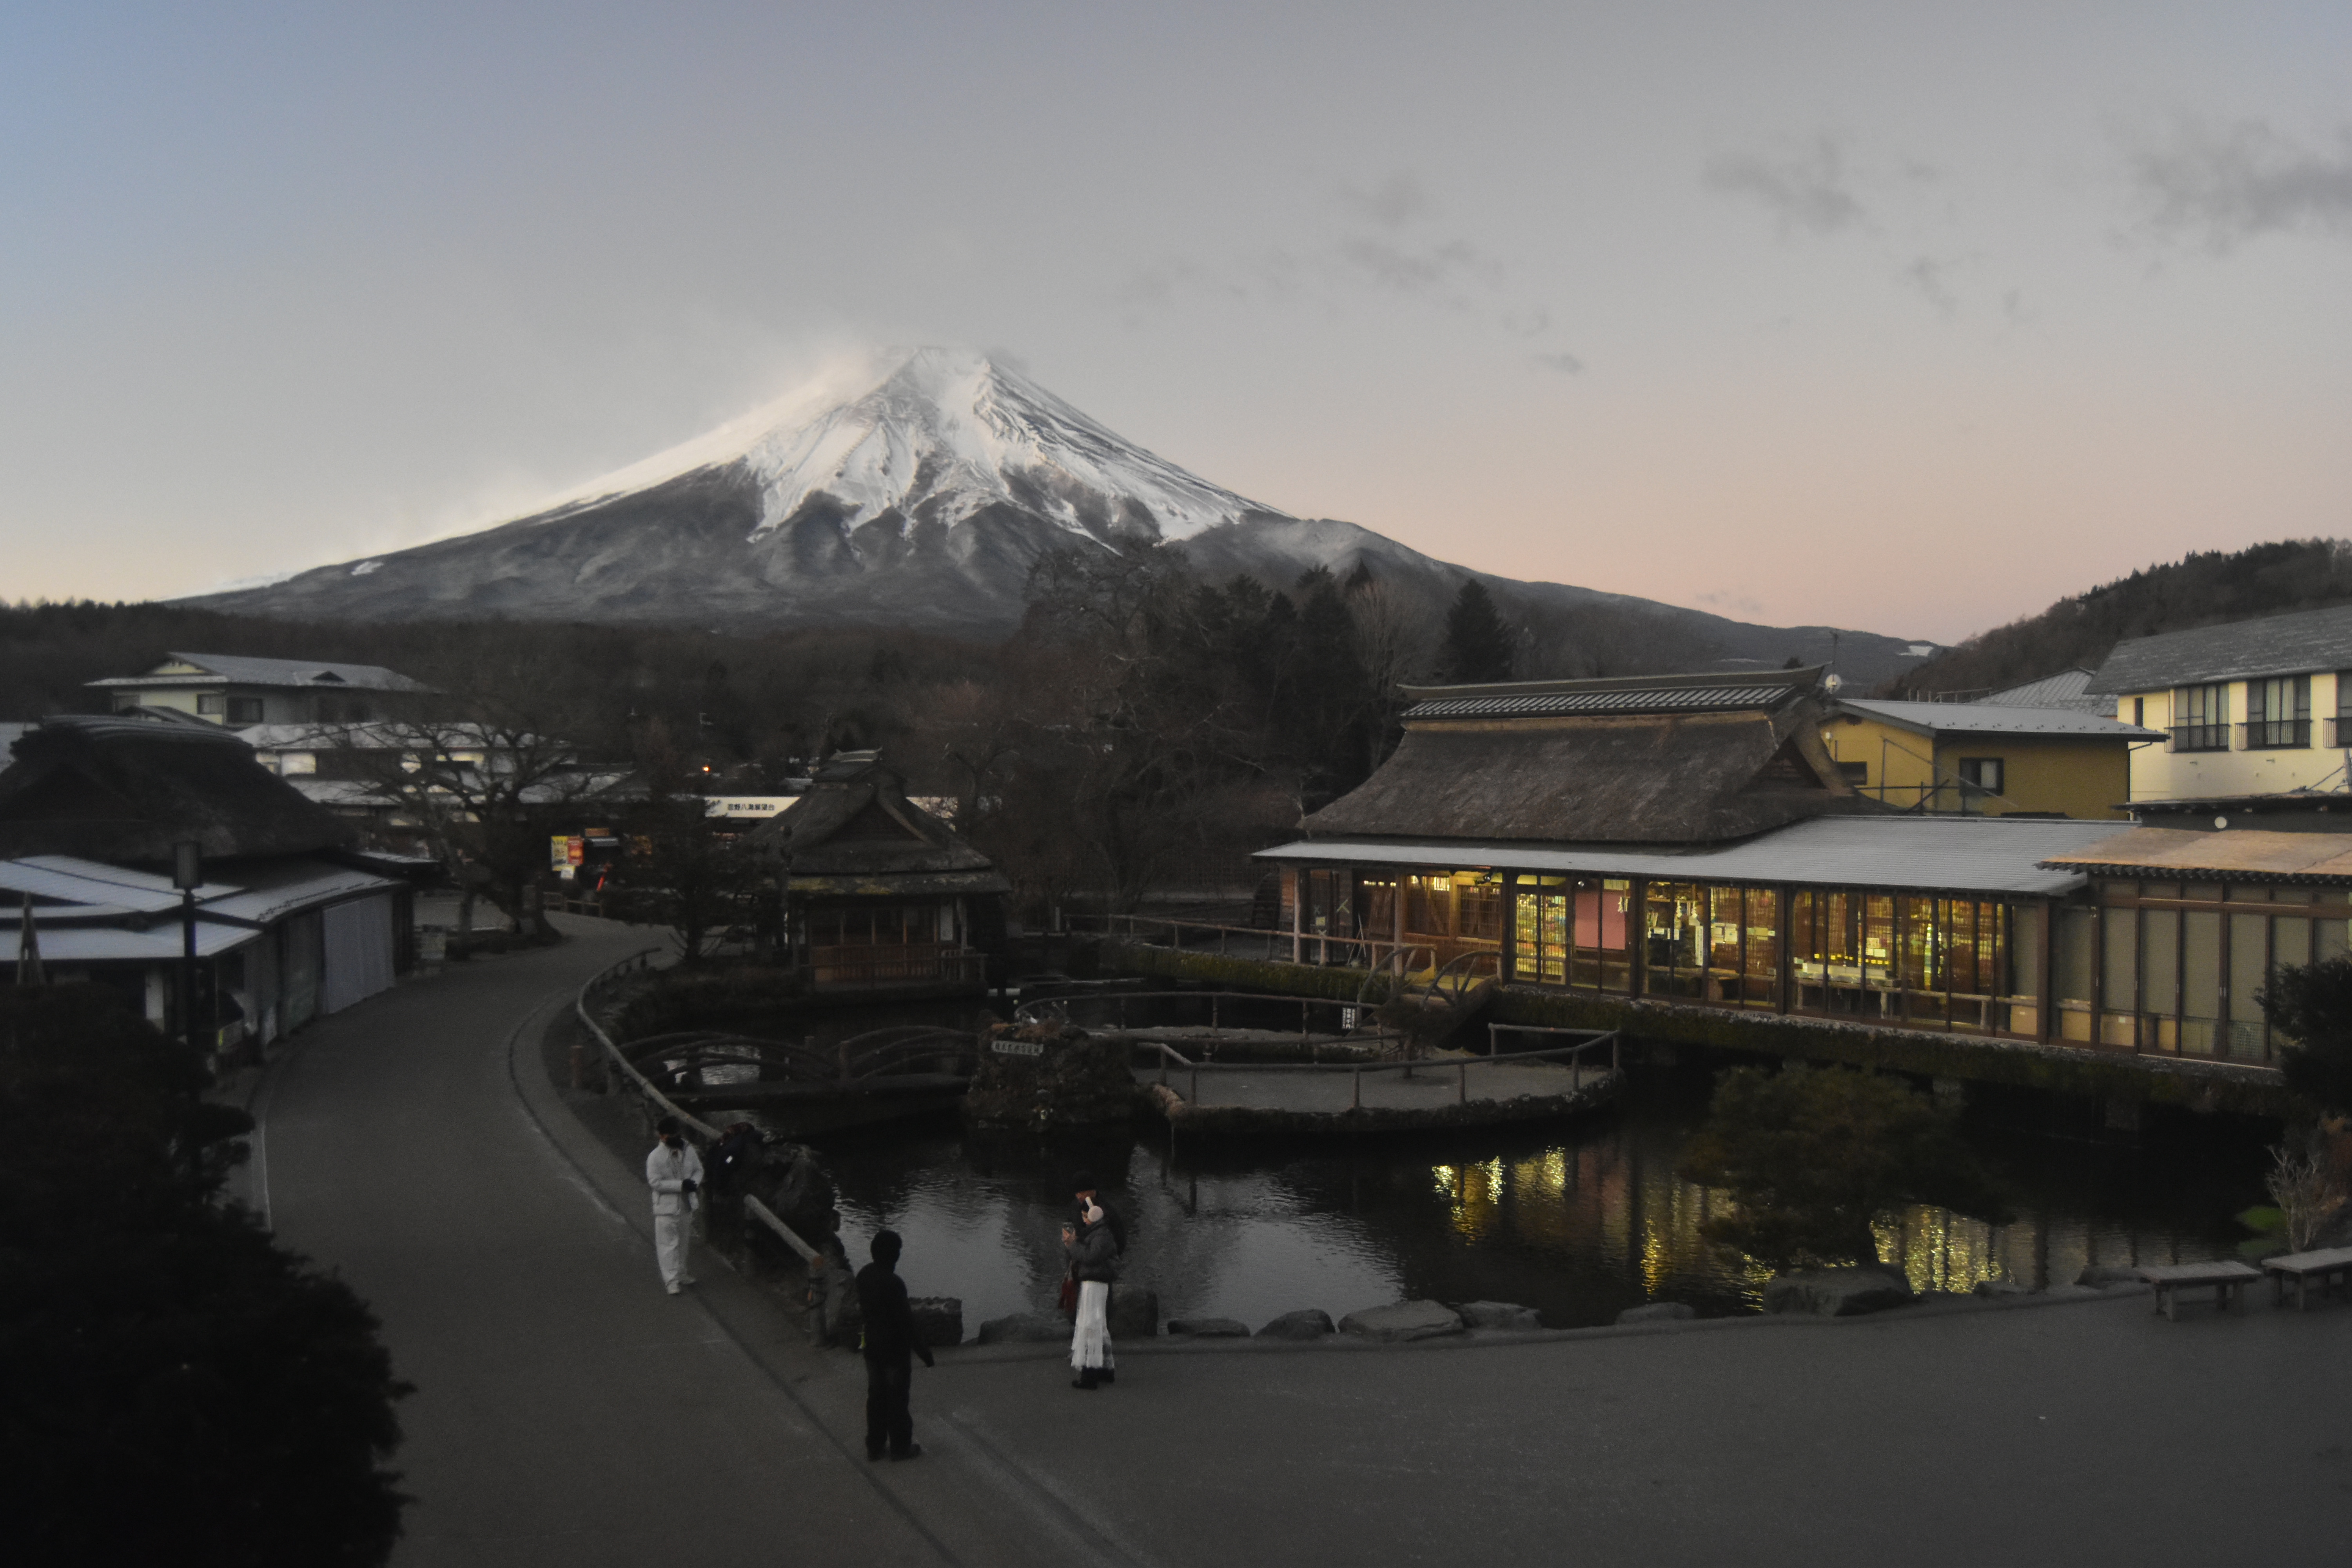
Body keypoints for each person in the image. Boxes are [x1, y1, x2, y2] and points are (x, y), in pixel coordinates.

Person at [855, 1230, 934, 1460]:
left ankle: (875, 1446)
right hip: (894, 1351)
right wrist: (925, 1354)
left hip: (871, 1347)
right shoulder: (894, 1283)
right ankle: (900, 1447)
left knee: (876, 1398)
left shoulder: (864, 1275)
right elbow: (906, 1324)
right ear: (893, 1255)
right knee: (897, 1400)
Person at [1063, 1181, 1120, 1391]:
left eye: (1086, 1217)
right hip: (1096, 1284)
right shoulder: (1100, 1233)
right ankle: (1105, 1369)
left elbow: (1090, 1257)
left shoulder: (1101, 1236)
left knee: (1090, 1326)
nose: (1084, 1220)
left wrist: (1072, 1245)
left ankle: (1090, 1375)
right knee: (1099, 1326)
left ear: (1093, 1216)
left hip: (1094, 1285)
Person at [644, 1116, 704, 1296]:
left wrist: (694, 1183)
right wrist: (679, 1186)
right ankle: (671, 1281)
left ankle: (682, 1273)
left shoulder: (688, 1149)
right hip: (666, 1208)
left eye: (678, 1133)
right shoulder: (655, 1157)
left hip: (685, 1206)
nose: (677, 1137)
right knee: (668, 1245)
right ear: (663, 1136)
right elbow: (655, 1182)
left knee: (684, 1243)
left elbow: (698, 1170)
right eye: (672, 1134)